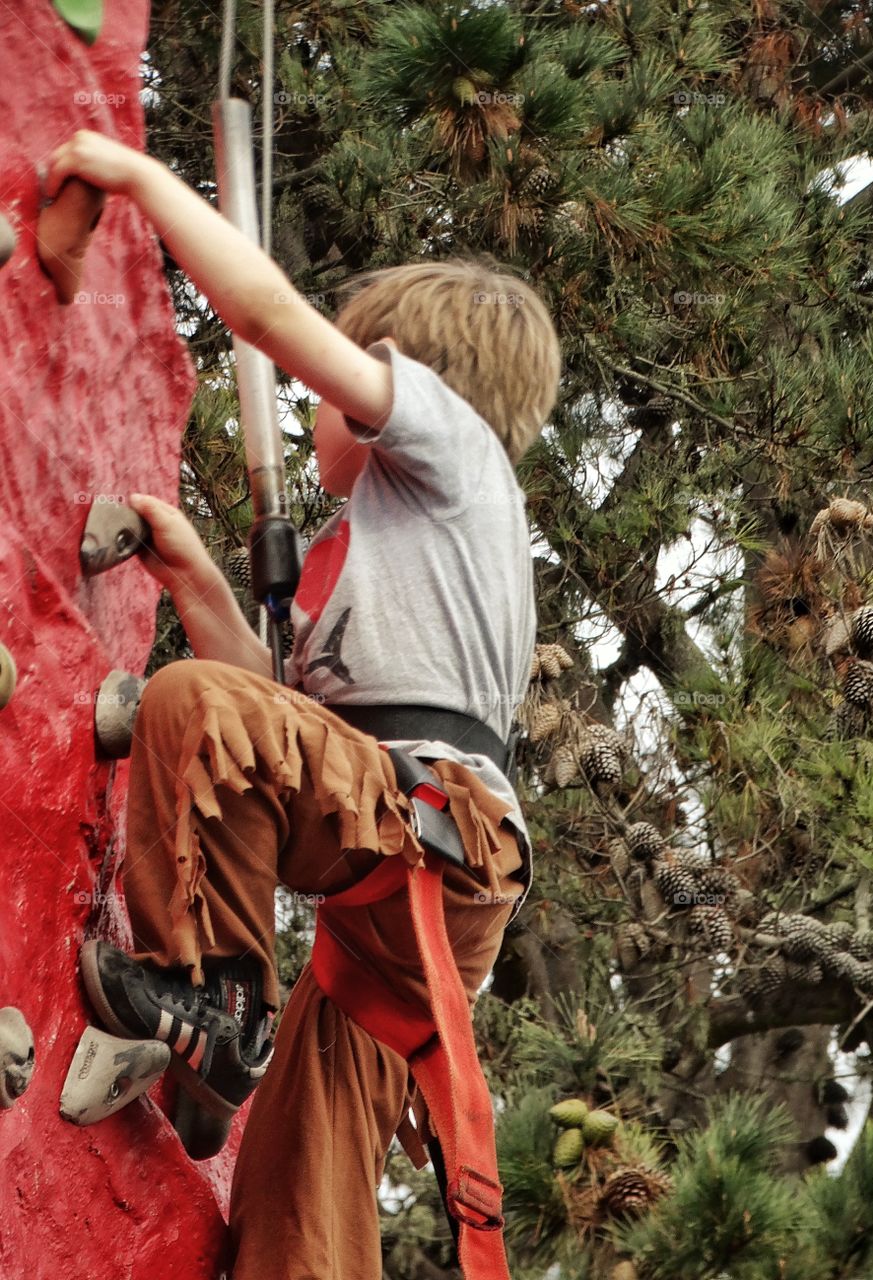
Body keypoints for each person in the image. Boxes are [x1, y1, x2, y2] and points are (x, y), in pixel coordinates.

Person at [46, 130, 560, 1279]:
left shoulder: (449, 444)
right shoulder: (387, 552)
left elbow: (271, 319)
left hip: (430, 823)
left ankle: (207, 998)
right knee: (297, 1210)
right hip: (410, 884)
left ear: (391, 372)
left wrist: (135, 179)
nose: (311, 403)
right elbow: (277, 722)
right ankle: (216, 1027)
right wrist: (197, 580)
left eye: (340, 379)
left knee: (190, 704)